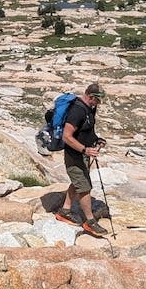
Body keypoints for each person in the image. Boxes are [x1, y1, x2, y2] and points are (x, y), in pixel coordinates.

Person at [56, 83, 108, 235]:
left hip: (83, 154)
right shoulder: (77, 111)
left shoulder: (89, 109)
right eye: (98, 100)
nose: (99, 104)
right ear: (91, 97)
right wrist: (85, 149)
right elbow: (67, 136)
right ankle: (90, 221)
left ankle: (64, 211)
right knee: (85, 187)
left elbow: (86, 131)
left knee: (78, 182)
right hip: (74, 155)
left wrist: (97, 140)